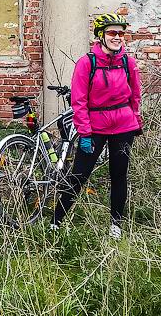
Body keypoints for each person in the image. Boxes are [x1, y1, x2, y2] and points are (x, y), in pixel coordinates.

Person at [51, 13, 143, 240]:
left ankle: (116, 226)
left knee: (119, 175)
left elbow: (136, 95)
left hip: (123, 126)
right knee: (79, 176)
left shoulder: (127, 62)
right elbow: (79, 101)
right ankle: (56, 222)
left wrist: (135, 118)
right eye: (112, 33)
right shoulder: (87, 63)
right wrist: (84, 131)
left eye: (121, 33)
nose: (118, 37)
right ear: (101, 35)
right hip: (94, 128)